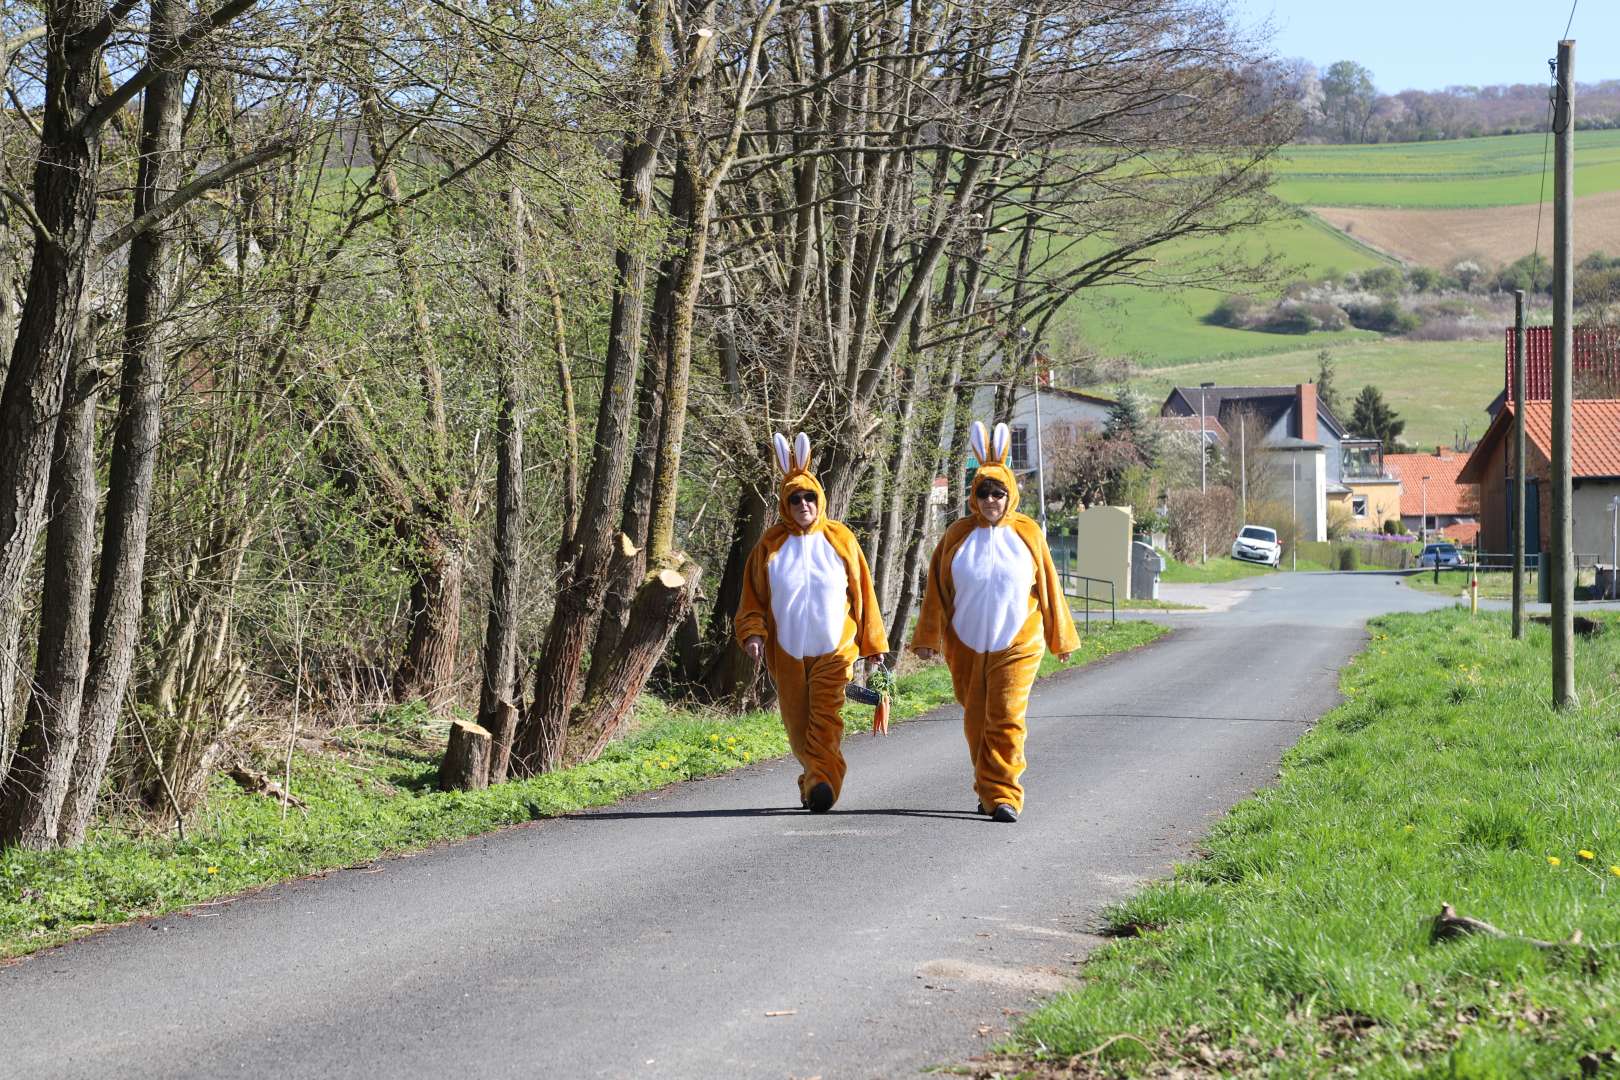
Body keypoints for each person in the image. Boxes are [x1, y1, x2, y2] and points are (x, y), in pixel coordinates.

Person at [911, 421, 1078, 823]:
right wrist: (929, 637)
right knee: (976, 722)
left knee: (1005, 717)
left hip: (1017, 642)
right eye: (983, 492)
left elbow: (1050, 587)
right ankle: (987, 788)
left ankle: (1004, 794)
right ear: (974, 495)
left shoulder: (1028, 533)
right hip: (966, 644)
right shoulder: (956, 534)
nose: (990, 499)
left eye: (997, 492)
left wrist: (1061, 638)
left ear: (1010, 494)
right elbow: (936, 589)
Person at [735, 432, 888, 812]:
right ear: (784, 503)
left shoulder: (841, 539)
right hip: (786, 654)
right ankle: (813, 779)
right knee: (798, 725)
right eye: (795, 499)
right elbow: (751, 600)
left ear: (820, 498)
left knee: (826, 719)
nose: (803, 504)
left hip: (834, 650)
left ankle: (822, 783)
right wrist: (753, 633)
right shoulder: (768, 546)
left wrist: (873, 646)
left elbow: (863, 594)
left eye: (809, 497)